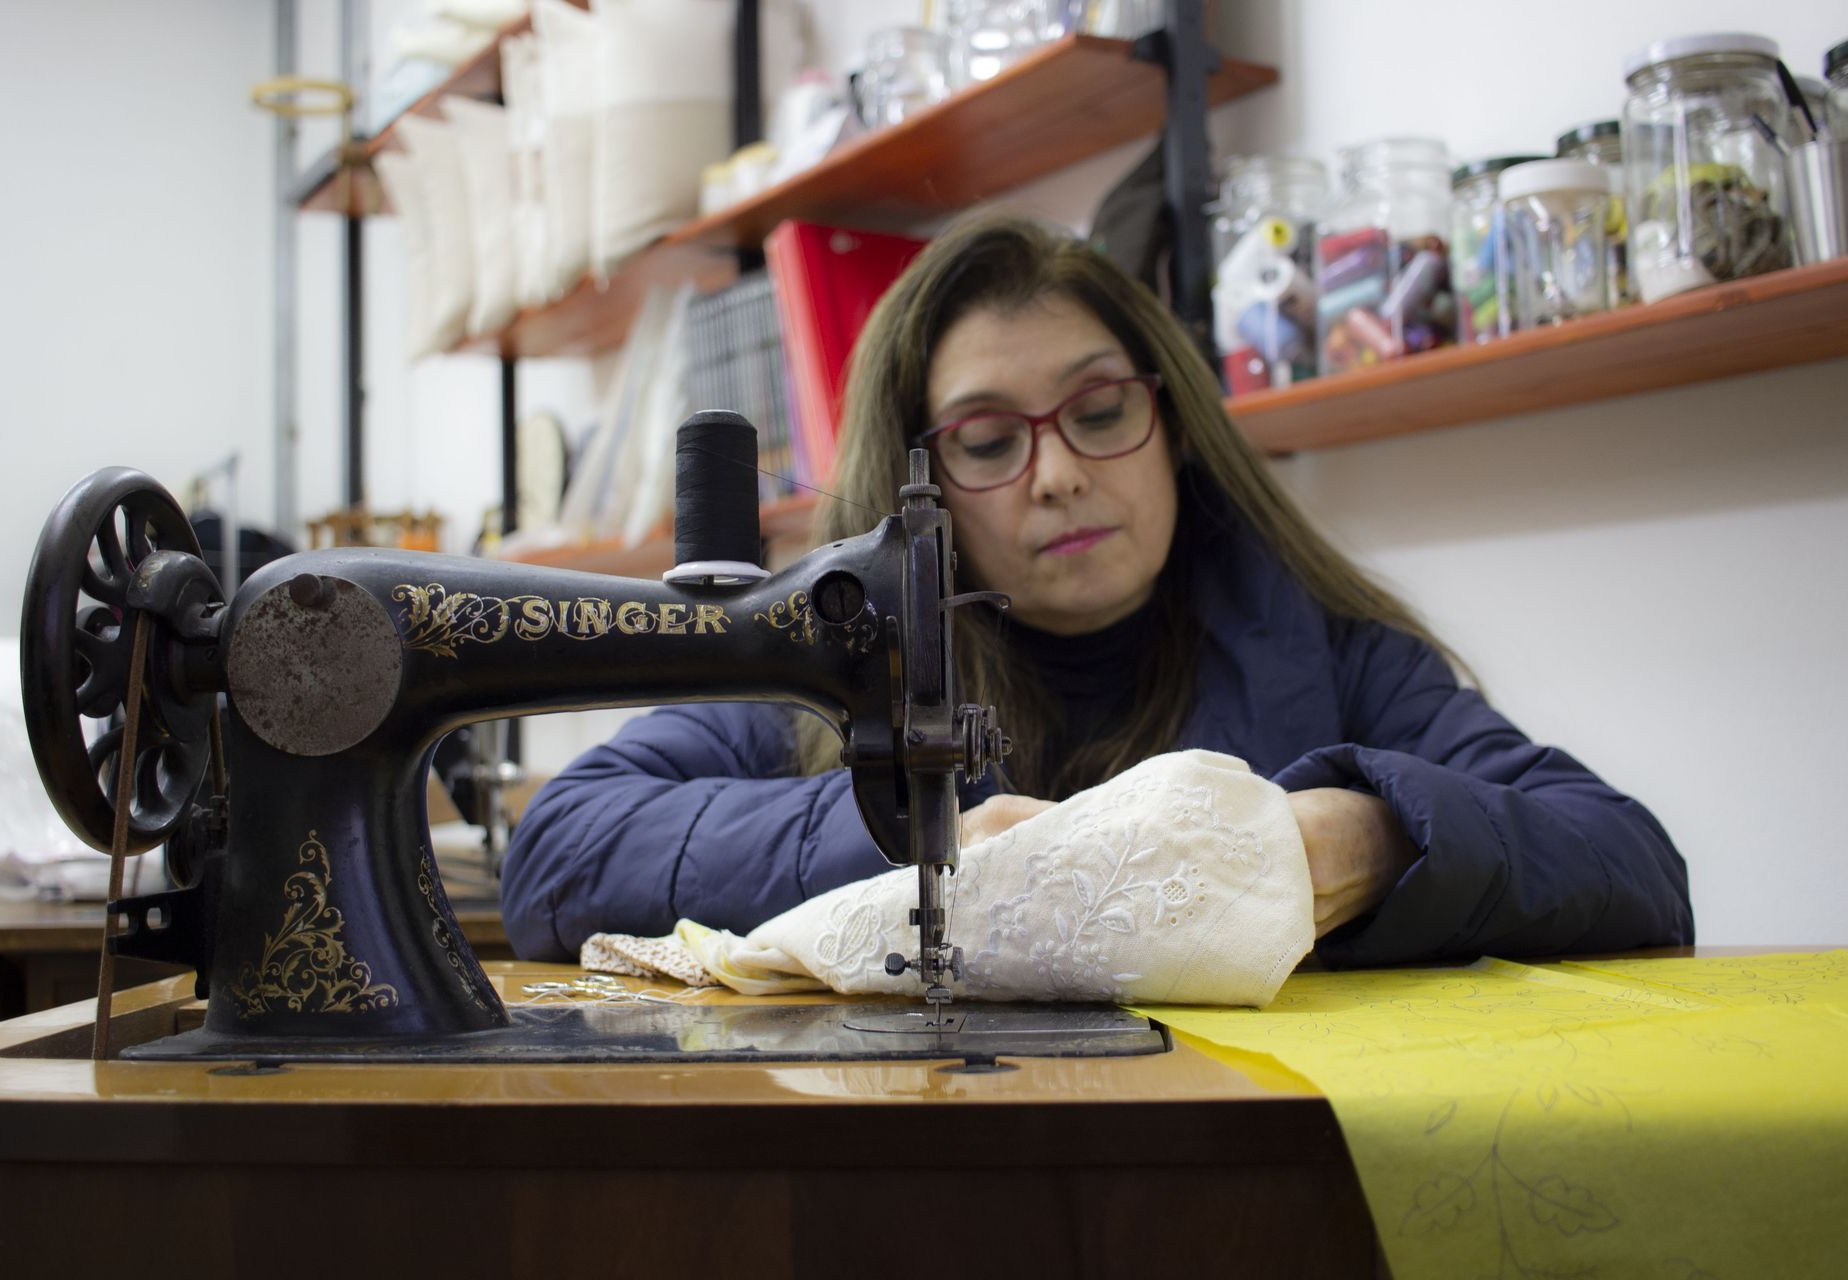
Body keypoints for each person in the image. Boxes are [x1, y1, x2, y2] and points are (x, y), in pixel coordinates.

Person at [500, 214, 1693, 968]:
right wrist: (912, 834)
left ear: (1168, 422)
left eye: (1101, 409)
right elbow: (559, 851)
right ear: (918, 488)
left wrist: (1377, 836)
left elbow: (1632, 860)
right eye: (984, 438)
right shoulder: (840, 666)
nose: (1061, 474)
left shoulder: (1331, 657)